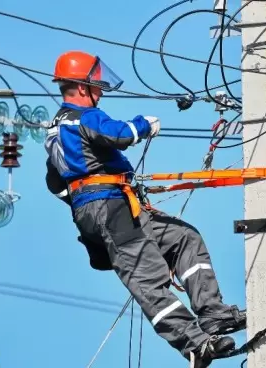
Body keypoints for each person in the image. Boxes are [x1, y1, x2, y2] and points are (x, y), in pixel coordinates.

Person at [43, 50, 246, 367]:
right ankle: (194, 345)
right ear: (82, 87)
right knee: (148, 278)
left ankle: (213, 315)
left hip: (109, 207)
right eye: (96, 86)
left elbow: (54, 184)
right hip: (111, 208)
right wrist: (143, 125)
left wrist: (87, 202)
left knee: (183, 238)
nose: (100, 92)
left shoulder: (56, 129)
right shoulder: (84, 117)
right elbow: (119, 134)